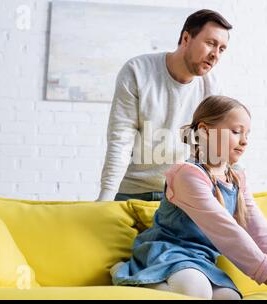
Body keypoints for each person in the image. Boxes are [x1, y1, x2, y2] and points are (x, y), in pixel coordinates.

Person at [110, 95, 267, 299]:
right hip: (167, 254)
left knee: (230, 298)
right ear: (204, 132)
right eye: (236, 132)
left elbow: (258, 229)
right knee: (196, 292)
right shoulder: (187, 174)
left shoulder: (236, 179)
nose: (244, 141)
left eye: (247, 134)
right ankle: (126, 276)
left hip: (202, 260)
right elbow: (225, 229)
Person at [97, 9, 232, 202]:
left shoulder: (212, 85)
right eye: (210, 43)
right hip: (134, 192)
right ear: (186, 38)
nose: (215, 55)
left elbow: (216, 144)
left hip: (182, 195)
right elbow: (121, 138)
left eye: (222, 49)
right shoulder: (137, 71)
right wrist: (106, 197)